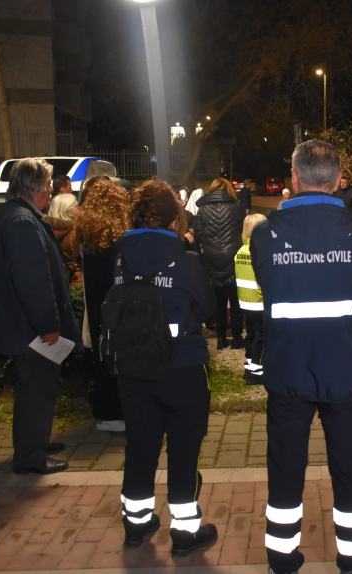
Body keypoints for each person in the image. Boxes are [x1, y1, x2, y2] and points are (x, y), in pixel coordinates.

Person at [250, 140, 352, 574]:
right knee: (349, 466)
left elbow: (270, 294)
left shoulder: (264, 235)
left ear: (294, 178)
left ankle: (282, 559)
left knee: (285, 467)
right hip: (344, 369)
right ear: (340, 180)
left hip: (288, 370)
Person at [113, 180, 218, 556]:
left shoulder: (121, 256)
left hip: (133, 369)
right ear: (175, 218)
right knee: (184, 451)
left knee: (140, 446)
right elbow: (207, 309)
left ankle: (136, 524)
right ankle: (185, 533)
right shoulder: (186, 260)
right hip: (182, 370)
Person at [0, 158, 79, 474]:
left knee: (36, 388)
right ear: (34, 188)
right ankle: (31, 455)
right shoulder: (23, 222)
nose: (50, 190)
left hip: (23, 325)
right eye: (48, 185)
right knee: (36, 389)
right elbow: (33, 280)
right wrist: (48, 326)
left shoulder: (14, 216)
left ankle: (36, 442)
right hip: (30, 330)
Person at [74, 177, 130, 433]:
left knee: (101, 353)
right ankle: (118, 411)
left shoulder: (87, 234)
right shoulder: (118, 237)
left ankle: (104, 411)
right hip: (118, 304)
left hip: (95, 304)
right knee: (120, 356)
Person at [193, 177, 244, 350]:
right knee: (236, 303)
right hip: (233, 259)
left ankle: (221, 339)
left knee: (219, 303)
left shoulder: (202, 209)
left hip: (212, 260)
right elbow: (241, 232)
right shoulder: (236, 207)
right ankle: (237, 338)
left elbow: (198, 235)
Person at [235, 213, 267, 385]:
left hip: (245, 301)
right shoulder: (259, 252)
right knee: (261, 337)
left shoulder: (240, 251)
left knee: (251, 335)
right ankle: (256, 372)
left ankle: (249, 367)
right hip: (259, 302)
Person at [44, 192, 81, 283]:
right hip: (77, 282)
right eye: (77, 206)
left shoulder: (44, 231)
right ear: (67, 210)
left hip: (54, 282)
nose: (80, 209)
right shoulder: (76, 233)